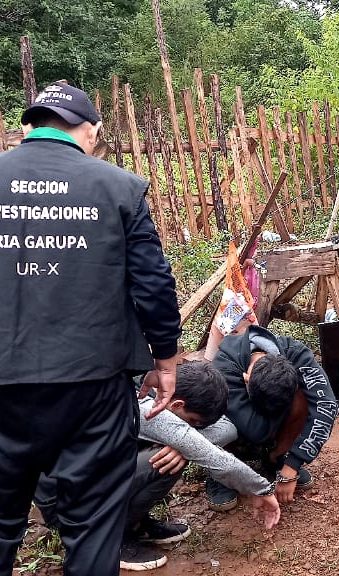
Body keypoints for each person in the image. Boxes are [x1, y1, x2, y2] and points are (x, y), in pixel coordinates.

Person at [0, 83, 180, 576]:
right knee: (94, 522)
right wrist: (166, 362)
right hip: (92, 386)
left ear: (26, 127)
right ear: (93, 132)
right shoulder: (118, 187)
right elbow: (153, 284)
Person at [34, 361, 282, 571]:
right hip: (63, 501)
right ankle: (111, 540)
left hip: (87, 477)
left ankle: (136, 524)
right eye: (193, 423)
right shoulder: (149, 411)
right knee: (164, 461)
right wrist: (263, 489)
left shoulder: (156, 387)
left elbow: (227, 427)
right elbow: (217, 460)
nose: (193, 429)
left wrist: (183, 445)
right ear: (177, 405)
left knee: (172, 455)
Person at [209, 325, 337, 509]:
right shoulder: (225, 366)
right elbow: (255, 430)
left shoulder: (296, 354)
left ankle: (274, 459)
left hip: (267, 424)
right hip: (237, 426)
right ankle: (220, 474)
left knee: (304, 399)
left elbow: (327, 404)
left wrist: (292, 464)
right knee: (219, 419)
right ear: (246, 378)